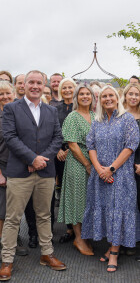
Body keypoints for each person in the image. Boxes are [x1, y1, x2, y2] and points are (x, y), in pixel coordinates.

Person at [0, 70, 66, 281]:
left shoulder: (51, 111)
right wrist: (30, 159)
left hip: (45, 172)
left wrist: (40, 160)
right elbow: (10, 137)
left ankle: (47, 254)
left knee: (44, 215)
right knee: (13, 218)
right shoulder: (11, 108)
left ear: (44, 84)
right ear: (24, 85)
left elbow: (57, 138)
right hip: (20, 172)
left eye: (39, 83)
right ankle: (7, 260)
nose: (35, 86)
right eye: (31, 82)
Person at [81, 85, 140, 273]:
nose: (107, 98)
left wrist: (111, 169)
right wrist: (99, 169)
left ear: (117, 97)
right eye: (104, 96)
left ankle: (114, 252)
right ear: (99, 100)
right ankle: (111, 246)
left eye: (111, 95)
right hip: (100, 176)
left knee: (118, 211)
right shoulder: (96, 121)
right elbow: (90, 145)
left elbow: (131, 146)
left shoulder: (127, 119)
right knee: (107, 211)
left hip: (121, 176)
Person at [0, 80, 28, 261]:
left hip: (19, 169)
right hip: (1, 168)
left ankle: (12, 239)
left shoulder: (22, 115)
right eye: (1, 94)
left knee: (15, 209)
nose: (5, 97)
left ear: (14, 94)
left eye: (8, 93)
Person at [57, 83, 95, 256]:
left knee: (88, 200)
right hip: (77, 163)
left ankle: (84, 236)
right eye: (81, 94)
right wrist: (87, 164)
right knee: (77, 200)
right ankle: (78, 238)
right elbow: (72, 144)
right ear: (76, 98)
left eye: (88, 94)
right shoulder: (72, 116)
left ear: (93, 97)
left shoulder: (95, 115)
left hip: (94, 162)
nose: (85, 96)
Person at [54, 78, 77, 242]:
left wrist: (69, 150)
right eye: (65, 87)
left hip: (76, 155)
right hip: (58, 155)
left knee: (77, 190)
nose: (68, 90)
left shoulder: (80, 108)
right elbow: (50, 131)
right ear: (60, 90)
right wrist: (58, 150)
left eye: (70, 87)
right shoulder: (54, 109)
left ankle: (81, 228)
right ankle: (69, 228)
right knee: (64, 192)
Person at [122, 83, 140, 257]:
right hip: (123, 166)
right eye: (131, 94)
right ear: (125, 96)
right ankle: (127, 241)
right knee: (126, 205)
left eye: (137, 94)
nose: (134, 97)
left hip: (139, 165)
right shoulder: (120, 116)